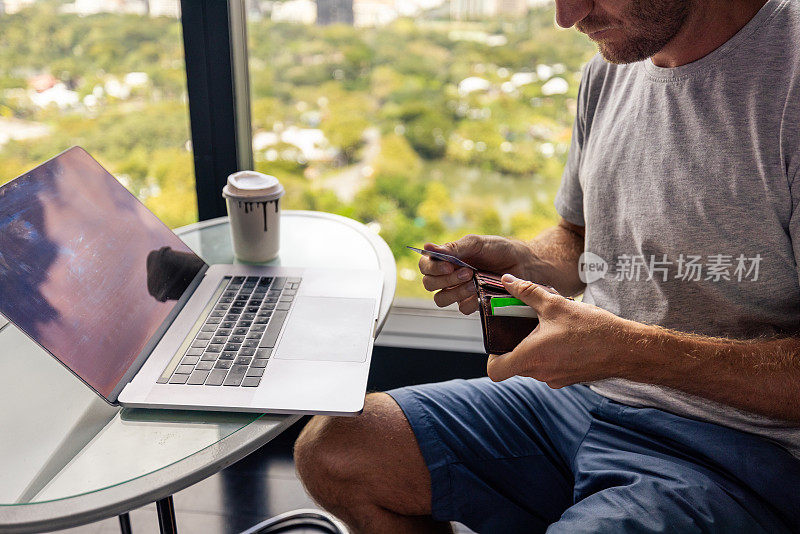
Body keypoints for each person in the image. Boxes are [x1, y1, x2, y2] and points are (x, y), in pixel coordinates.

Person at [294, 0, 800, 531]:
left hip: (738, 449)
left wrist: (629, 351)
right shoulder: (614, 65)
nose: (566, 16)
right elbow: (579, 238)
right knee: (336, 449)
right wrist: (527, 261)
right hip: (584, 399)